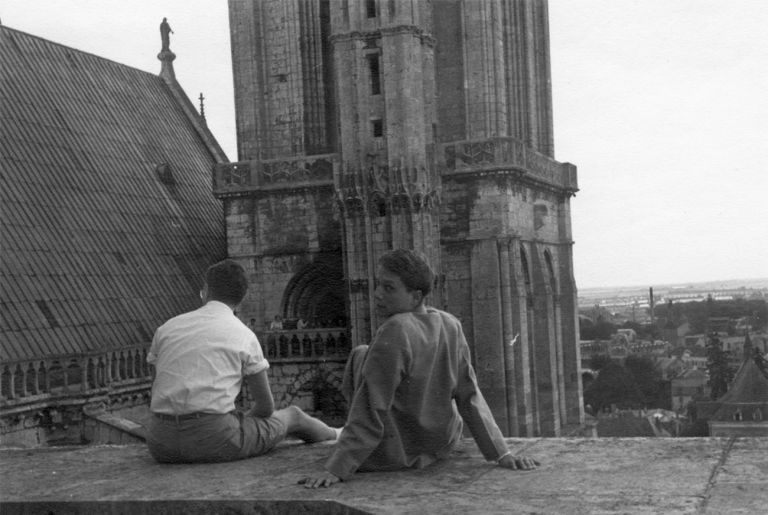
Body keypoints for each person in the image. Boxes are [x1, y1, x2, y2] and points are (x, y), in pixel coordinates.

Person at [300, 249, 539, 488]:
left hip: (399, 452)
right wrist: (501, 452)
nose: (377, 294)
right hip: (442, 444)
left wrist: (337, 468)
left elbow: (371, 406)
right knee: (363, 352)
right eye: (379, 285)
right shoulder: (450, 323)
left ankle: (348, 440)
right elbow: (469, 395)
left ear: (415, 296)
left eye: (389, 288)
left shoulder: (395, 329)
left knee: (360, 354)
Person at [146, 259, 339, 463]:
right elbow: (266, 407)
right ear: (244, 296)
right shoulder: (243, 334)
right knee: (293, 415)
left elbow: (156, 387)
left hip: (160, 442)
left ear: (206, 289)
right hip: (214, 440)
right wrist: (241, 421)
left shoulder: (167, 328)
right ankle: (338, 435)